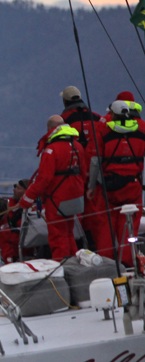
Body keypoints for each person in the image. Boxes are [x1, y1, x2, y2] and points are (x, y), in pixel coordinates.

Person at [19, 116, 88, 260]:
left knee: (58, 235)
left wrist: (27, 199)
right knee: (69, 232)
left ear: (50, 129)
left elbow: (43, 179)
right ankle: (74, 261)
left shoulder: (51, 150)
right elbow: (83, 173)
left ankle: (61, 265)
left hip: (57, 198)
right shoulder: (78, 146)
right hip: (75, 196)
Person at [57, 85, 112, 254]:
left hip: (76, 170)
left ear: (65, 101)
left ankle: (83, 243)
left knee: (77, 207)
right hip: (98, 169)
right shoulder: (97, 117)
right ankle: (98, 243)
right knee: (97, 207)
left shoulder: (63, 120)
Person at [91, 100, 145, 265]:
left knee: (106, 228)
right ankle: (128, 263)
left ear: (112, 114)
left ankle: (107, 264)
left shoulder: (103, 132)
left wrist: (91, 186)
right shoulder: (141, 132)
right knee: (129, 226)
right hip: (133, 186)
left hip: (109, 187)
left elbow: (95, 161)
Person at [0, 179, 29, 264]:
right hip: (8, 251)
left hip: (23, 253)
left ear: (26, 192)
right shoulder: (8, 206)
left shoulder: (32, 212)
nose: (14, 189)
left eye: (18, 188)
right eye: (15, 186)